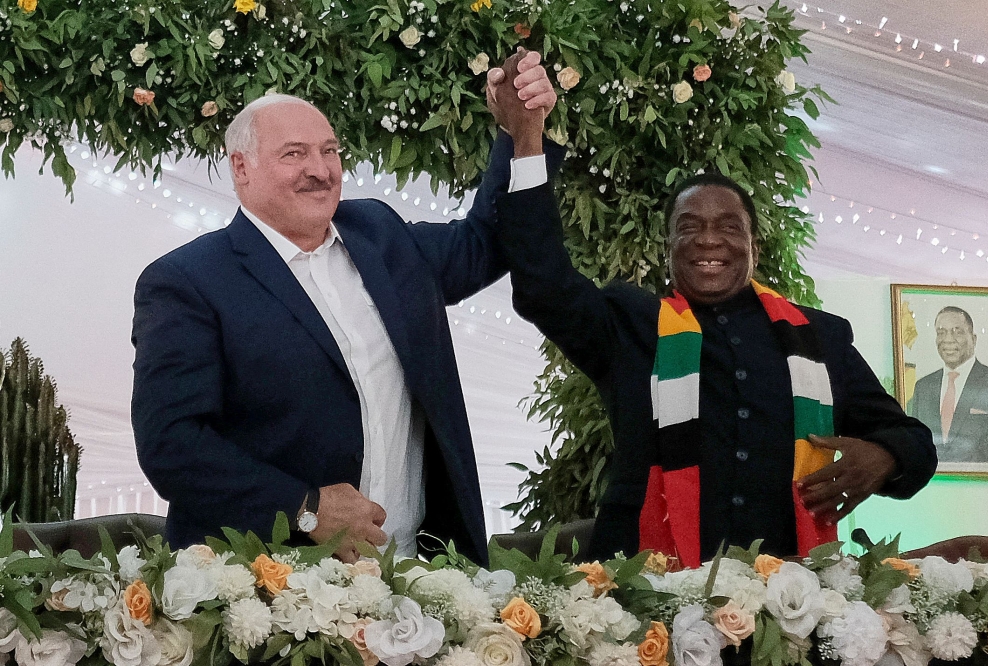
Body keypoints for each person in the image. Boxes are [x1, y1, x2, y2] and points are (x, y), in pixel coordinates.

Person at [131, 51, 558, 564]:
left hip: (423, 576)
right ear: (241, 168)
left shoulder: (381, 235)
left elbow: (486, 243)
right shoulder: (188, 282)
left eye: (329, 150)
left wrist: (521, 136)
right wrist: (304, 509)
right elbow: (173, 445)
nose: (319, 170)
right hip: (273, 595)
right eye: (294, 154)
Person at [494, 170, 937, 565]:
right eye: (689, 228)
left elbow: (915, 440)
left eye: (729, 227)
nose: (709, 239)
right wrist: (528, 146)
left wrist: (886, 457)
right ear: (669, 248)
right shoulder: (627, 325)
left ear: (753, 248)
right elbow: (543, 283)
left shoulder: (819, 338)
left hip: (788, 604)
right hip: (641, 596)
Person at [909, 306, 988, 462]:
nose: (948, 339)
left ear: (974, 338)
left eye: (957, 332)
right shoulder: (922, 387)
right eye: (941, 332)